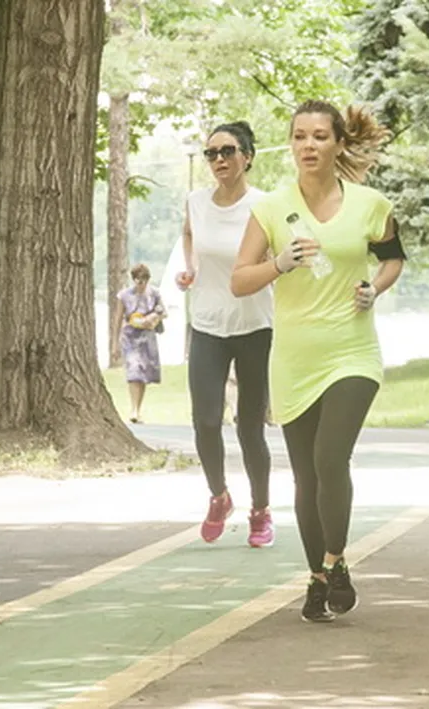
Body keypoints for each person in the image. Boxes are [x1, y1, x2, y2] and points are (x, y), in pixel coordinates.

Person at [231, 100, 404, 623]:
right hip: (294, 358)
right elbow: (240, 280)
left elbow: (393, 257)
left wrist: (374, 288)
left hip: (353, 351)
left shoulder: (371, 204)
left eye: (320, 137)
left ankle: (335, 562)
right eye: (300, 136)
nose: (309, 145)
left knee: (332, 459)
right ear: (291, 145)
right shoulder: (271, 208)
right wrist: (279, 263)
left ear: (338, 145)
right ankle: (316, 577)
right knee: (306, 477)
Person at [174, 121, 276, 548]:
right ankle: (219, 496)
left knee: (250, 428)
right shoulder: (196, 202)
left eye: (228, 151)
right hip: (208, 325)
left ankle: (261, 510)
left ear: (247, 156)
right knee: (205, 421)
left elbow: (281, 254)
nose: (218, 160)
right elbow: (189, 234)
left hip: (254, 326)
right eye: (211, 153)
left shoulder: (266, 205)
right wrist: (192, 268)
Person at [118, 263, 167, 423]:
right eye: (138, 280)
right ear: (134, 280)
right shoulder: (124, 295)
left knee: (144, 373)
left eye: (144, 280)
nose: (142, 284)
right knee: (133, 370)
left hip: (147, 336)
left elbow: (163, 311)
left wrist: (153, 318)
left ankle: (138, 409)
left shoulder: (154, 293)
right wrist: (114, 342)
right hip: (130, 335)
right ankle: (132, 409)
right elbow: (118, 318)